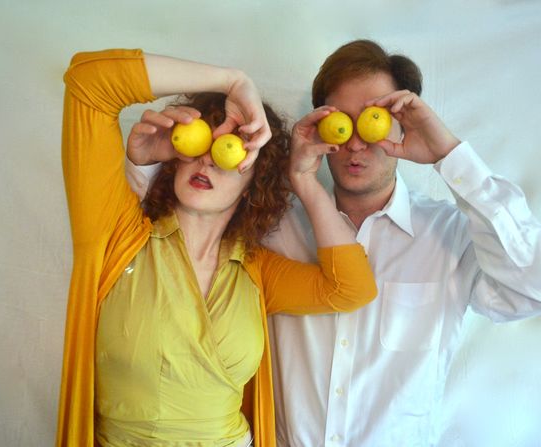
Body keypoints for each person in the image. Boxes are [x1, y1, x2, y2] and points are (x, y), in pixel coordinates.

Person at [56, 48, 377, 447]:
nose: (207, 160)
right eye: (201, 143)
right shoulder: (116, 235)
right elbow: (88, 84)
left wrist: (305, 181)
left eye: (231, 149)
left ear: (253, 184)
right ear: (176, 156)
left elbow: (351, 289)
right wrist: (232, 81)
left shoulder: (257, 271)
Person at [264, 39, 541, 446]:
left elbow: (539, 290)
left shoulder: (449, 235)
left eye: (371, 120)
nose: (355, 143)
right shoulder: (276, 228)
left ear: (402, 126)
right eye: (341, 122)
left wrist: (449, 154)